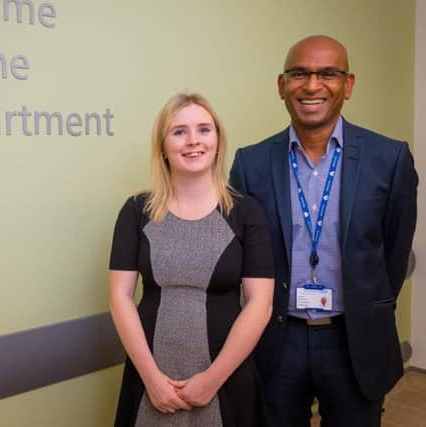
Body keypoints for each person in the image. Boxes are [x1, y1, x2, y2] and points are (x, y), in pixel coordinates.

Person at [229, 35, 418, 427]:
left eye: (328, 73)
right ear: (282, 85)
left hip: (355, 339)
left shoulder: (390, 158)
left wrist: (369, 304)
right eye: (299, 73)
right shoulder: (250, 163)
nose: (312, 85)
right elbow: (242, 257)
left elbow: (393, 254)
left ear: (347, 85)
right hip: (277, 340)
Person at [109, 93, 274, 426]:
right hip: (151, 376)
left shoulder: (246, 213)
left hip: (226, 378)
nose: (194, 141)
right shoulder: (136, 211)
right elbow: (120, 297)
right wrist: (152, 379)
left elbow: (261, 304)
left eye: (204, 129)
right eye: (179, 131)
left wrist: (212, 379)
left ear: (217, 140)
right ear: (162, 146)